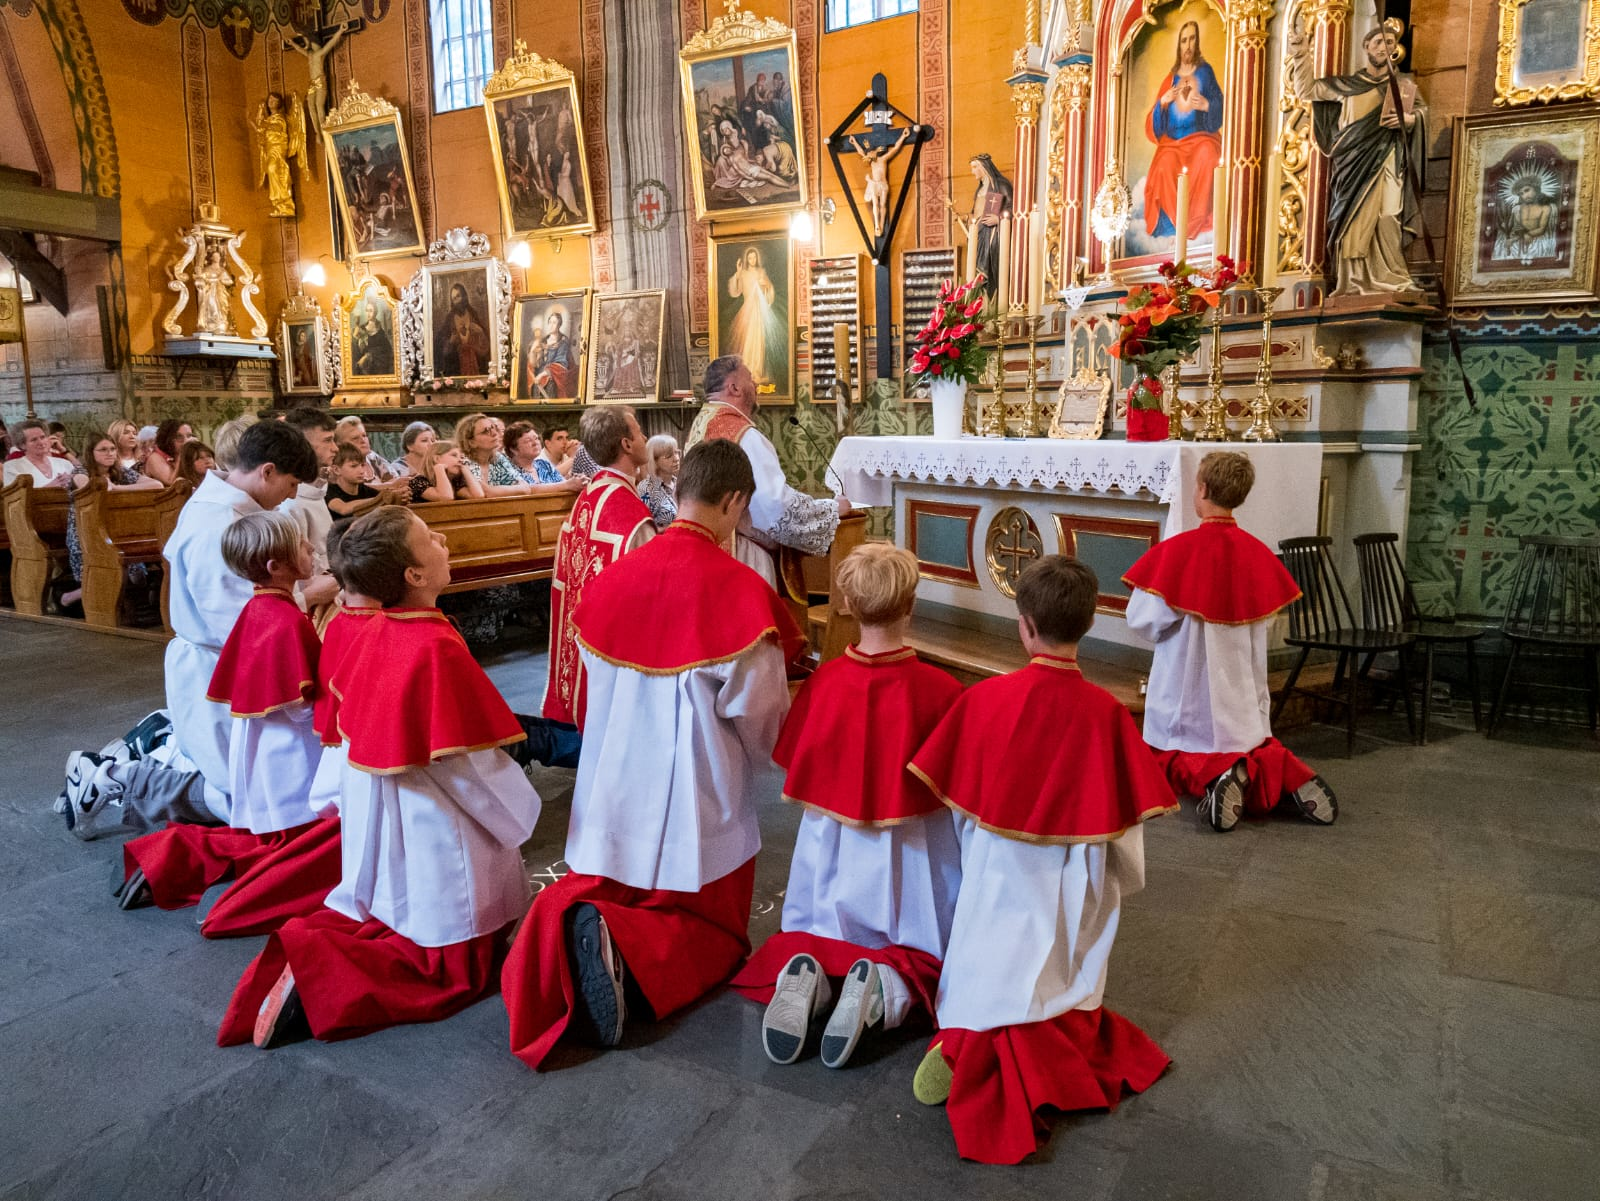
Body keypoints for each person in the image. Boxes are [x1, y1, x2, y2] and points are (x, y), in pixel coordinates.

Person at [502, 439, 805, 1068]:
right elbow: (758, 709)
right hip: (697, 780)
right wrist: (763, 762)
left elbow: (591, 674)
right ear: (734, 501)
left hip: (611, 771)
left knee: (618, 873)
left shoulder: (616, 577)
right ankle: (625, 947)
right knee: (714, 930)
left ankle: (590, 924)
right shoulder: (739, 592)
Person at [221, 507, 542, 1048]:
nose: (443, 538)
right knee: (455, 970)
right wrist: (518, 814)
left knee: (419, 926)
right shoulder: (433, 644)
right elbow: (463, 764)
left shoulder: (378, 630)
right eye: (429, 539)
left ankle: (323, 959)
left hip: (399, 810)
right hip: (443, 821)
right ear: (413, 576)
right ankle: (322, 967)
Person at [906, 557, 1177, 1163]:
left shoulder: (985, 701)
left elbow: (960, 813)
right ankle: (1039, 1047)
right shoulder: (1108, 715)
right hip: (1071, 883)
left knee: (983, 965)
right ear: (1086, 624)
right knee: (1064, 967)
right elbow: (1124, 842)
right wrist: (1111, 880)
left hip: (995, 879)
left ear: (1023, 626)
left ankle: (967, 1045)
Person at [731, 544, 963, 1068]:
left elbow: (792, 758)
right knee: (920, 939)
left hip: (831, 846)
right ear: (911, 605)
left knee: (820, 920)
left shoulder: (825, 682)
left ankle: (811, 969)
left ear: (850, 608)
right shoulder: (943, 691)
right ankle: (882, 985)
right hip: (913, 854)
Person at [60, 421, 318, 838]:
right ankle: (115, 777)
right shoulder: (219, 522)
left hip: (223, 661)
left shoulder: (231, 510)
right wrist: (311, 596)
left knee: (258, 788)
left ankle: (147, 744)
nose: (291, 495)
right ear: (267, 471)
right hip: (220, 665)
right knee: (243, 796)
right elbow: (241, 623)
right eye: (291, 484)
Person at [116, 511, 326, 913]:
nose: (312, 548)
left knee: (276, 838)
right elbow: (301, 704)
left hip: (266, 744)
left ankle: (178, 855)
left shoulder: (257, 609)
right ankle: (179, 857)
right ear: (275, 565)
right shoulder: (285, 619)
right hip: (291, 753)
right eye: (302, 544)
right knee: (296, 847)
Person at [1123, 452, 1337, 831]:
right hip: (1240, 687)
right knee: (1252, 742)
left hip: (1185, 687)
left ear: (1202, 489)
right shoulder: (1257, 554)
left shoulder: (1176, 553)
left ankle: (1219, 777)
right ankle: (1287, 777)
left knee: (1174, 752)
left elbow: (1144, 620)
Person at [529, 406, 653, 765]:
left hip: (584, 639)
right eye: (640, 433)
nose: (645, 438)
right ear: (627, 444)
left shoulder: (589, 495)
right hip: (614, 650)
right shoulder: (629, 515)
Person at [684, 355, 850, 587]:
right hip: (742, 556)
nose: (756, 386)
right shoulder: (744, 435)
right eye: (750, 380)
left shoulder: (701, 424)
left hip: (705, 552)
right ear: (734, 387)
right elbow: (775, 507)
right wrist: (831, 509)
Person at [1290, 23, 1427, 296]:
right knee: (1353, 222)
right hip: (1352, 166)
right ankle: (1353, 283)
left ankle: (1392, 276)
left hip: (1388, 158)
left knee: (1389, 216)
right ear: (1367, 48)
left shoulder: (1403, 87)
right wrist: (1300, 53)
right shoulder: (1346, 85)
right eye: (1378, 42)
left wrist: (1410, 120)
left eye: (1389, 42)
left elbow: (1422, 114)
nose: (1384, 47)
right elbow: (1306, 90)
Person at [61, 433, 163, 609]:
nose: (109, 453)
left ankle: (126, 604)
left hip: (118, 530)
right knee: (111, 572)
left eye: (112, 449)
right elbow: (91, 488)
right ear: (91, 453)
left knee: (137, 576)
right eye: (103, 450)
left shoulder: (120, 472)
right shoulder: (80, 472)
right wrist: (111, 488)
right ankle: (71, 596)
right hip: (86, 533)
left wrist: (118, 487)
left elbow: (156, 485)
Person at [1144, 20, 1224, 242]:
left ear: (1197, 42)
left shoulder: (1206, 73)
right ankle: (1172, 224)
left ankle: (1196, 221)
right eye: (1184, 40)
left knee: (1209, 154)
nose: (1188, 45)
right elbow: (1153, 125)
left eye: (1192, 39)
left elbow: (1220, 103)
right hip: (1173, 144)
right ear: (1179, 45)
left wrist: (1207, 106)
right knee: (1164, 164)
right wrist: (1163, 102)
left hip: (1201, 138)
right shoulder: (1170, 79)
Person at [276, 406, 341, 615]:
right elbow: (301, 570)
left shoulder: (313, 492)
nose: (336, 448)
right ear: (304, 445)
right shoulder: (292, 503)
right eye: (327, 440)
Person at [456, 412, 542, 497]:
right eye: (485, 431)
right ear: (472, 442)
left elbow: (525, 489)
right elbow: (483, 493)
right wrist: (507, 490)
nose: (494, 433)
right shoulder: (463, 461)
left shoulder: (499, 458)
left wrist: (492, 490)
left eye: (493, 428)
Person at [504, 421, 586, 496]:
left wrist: (578, 482)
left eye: (536, 438)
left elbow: (566, 486)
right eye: (528, 440)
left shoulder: (543, 464)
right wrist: (568, 484)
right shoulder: (508, 470)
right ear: (513, 449)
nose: (535, 443)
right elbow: (527, 490)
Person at [435, 283, 491, 378]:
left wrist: (480, 332)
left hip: (475, 362)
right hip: (456, 366)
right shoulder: (449, 319)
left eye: (458, 296)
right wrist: (450, 342)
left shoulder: (473, 314)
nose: (456, 301)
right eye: (454, 299)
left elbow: (486, 346)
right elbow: (439, 345)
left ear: (464, 297)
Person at [406, 440, 484, 504]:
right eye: (454, 455)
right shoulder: (418, 481)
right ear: (437, 459)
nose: (460, 460)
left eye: (461, 457)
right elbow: (446, 498)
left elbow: (478, 496)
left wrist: (465, 469)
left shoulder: (455, 481)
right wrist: (439, 469)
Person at [3, 419, 75, 487]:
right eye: (34, 440)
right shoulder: (12, 467)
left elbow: (82, 480)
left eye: (43, 437)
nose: (41, 442)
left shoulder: (64, 463)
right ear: (22, 445)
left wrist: (73, 480)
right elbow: (14, 497)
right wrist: (48, 488)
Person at [325, 444, 385, 518]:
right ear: (336, 470)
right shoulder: (329, 491)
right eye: (354, 466)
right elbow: (343, 509)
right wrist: (380, 499)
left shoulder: (366, 491)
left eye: (362, 465)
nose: (361, 471)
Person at [334, 416, 399, 483]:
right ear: (340, 444)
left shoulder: (372, 457)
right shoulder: (340, 466)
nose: (363, 441)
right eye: (355, 438)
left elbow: (395, 479)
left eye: (364, 435)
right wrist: (387, 486)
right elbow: (358, 490)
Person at [637, 433, 680, 530]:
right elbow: (643, 527)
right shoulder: (646, 488)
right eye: (668, 456)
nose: (676, 459)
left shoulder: (681, 484)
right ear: (654, 461)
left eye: (677, 452)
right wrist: (672, 529)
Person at [143, 419, 193, 486]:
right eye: (179, 437)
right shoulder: (154, 458)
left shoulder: (185, 455)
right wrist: (182, 454)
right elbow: (172, 482)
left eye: (189, 436)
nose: (186, 441)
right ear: (167, 438)